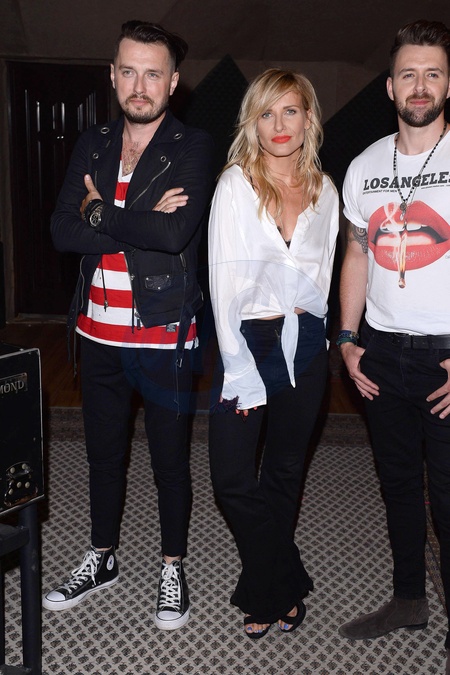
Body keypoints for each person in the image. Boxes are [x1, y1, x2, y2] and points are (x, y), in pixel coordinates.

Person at [42, 20, 213, 631]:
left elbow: (175, 233)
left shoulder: (193, 146)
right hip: (97, 333)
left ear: (173, 81)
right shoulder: (93, 143)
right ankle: (102, 556)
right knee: (103, 456)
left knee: (170, 461)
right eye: (129, 71)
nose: (140, 86)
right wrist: (135, 219)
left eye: (153, 74)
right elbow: (61, 231)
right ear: (113, 75)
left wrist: (99, 211)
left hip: (164, 333)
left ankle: (172, 567)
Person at [208, 68, 339, 638]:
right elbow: (222, 282)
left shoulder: (326, 190)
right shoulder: (236, 185)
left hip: (306, 340)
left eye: (290, 111)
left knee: (285, 470)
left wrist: (322, 340)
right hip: (249, 340)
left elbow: (324, 273)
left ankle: (265, 591)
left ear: (308, 118)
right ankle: (286, 575)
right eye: (267, 113)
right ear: (253, 123)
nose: (279, 124)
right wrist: (236, 363)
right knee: (231, 478)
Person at [338, 18, 450, 666]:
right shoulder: (364, 166)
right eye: (409, 73)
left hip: (445, 356)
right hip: (382, 351)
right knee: (399, 485)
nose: (420, 85)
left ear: (448, 85)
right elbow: (357, 253)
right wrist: (347, 338)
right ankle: (409, 598)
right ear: (389, 86)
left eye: (433, 73)